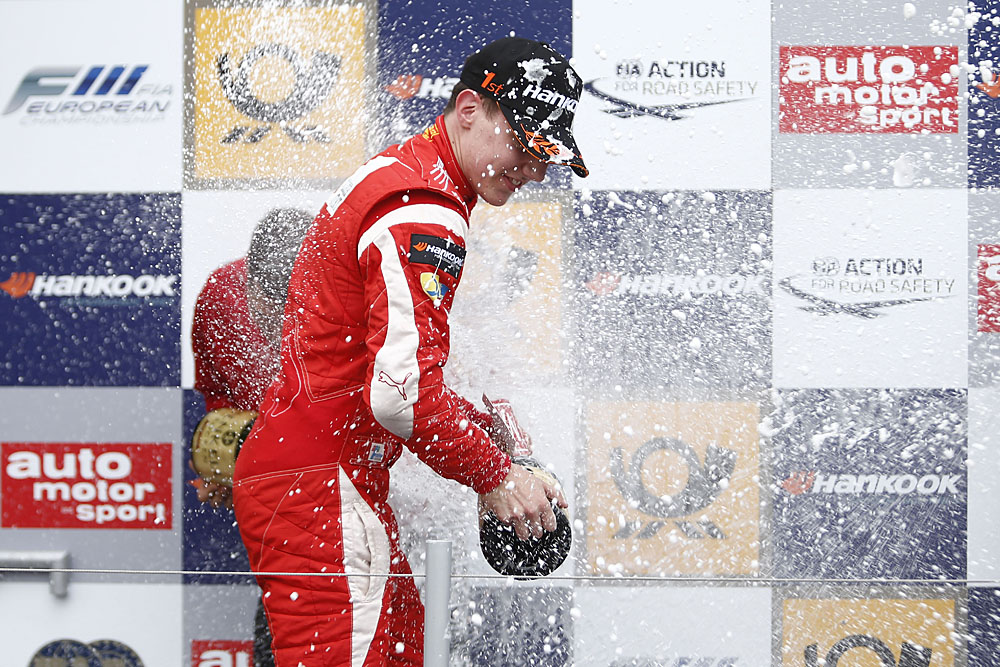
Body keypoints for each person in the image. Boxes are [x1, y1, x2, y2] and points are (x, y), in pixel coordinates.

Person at [232, 37, 587, 666]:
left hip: (323, 478)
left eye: (546, 156)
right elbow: (402, 397)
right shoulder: (421, 207)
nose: (534, 169)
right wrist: (497, 476)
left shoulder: (408, 179)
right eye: (525, 143)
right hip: (322, 487)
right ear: (470, 109)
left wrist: (480, 431)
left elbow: (377, 372)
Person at [190, 207, 314, 667]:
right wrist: (228, 465)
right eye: (272, 307)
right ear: (251, 287)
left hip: (340, 498)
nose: (282, 321)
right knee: (283, 622)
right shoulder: (219, 299)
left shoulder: (343, 304)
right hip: (279, 513)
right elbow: (219, 398)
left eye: (294, 309)